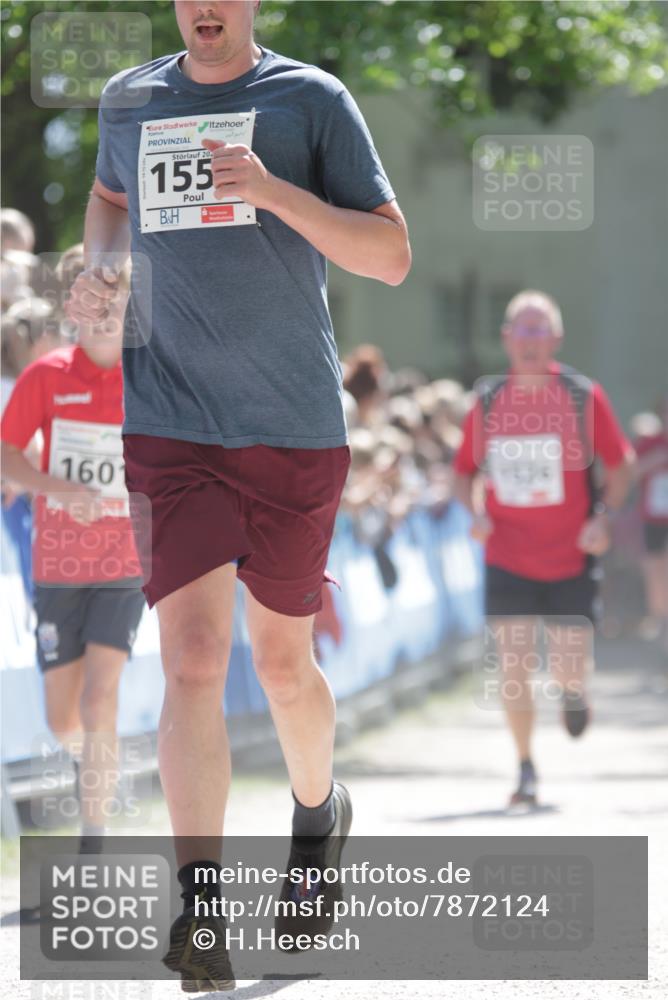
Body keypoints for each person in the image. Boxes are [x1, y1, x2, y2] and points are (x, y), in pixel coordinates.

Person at [64, 1, 410, 989]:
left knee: (284, 662)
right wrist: (102, 267)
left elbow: (388, 256)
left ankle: (315, 815)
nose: (204, 7)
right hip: (170, 423)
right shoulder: (130, 98)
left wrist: (269, 190)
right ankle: (201, 910)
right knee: (192, 658)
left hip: (293, 424)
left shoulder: (309, 100)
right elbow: (107, 197)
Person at [453, 290, 634, 809]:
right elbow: (462, 473)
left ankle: (574, 692)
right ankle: (526, 766)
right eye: (521, 331)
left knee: (567, 667)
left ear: (556, 338)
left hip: (570, 555)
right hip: (507, 554)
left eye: (540, 331)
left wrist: (604, 517)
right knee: (513, 665)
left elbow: (619, 465)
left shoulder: (582, 396)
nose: (531, 341)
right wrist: (477, 514)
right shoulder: (487, 401)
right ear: (507, 338)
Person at [1, 259, 145, 852]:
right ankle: (99, 764)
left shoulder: (151, 379)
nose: (104, 310)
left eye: (116, 300)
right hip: (57, 563)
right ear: (74, 310)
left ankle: (94, 835)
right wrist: (63, 492)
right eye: (93, 300)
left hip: (126, 562)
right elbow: (7, 455)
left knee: (99, 694)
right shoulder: (46, 376)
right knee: (64, 719)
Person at [633, 396, 668, 649]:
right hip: (654, 516)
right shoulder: (650, 444)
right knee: (655, 569)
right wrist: (652, 461)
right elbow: (629, 471)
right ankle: (659, 618)